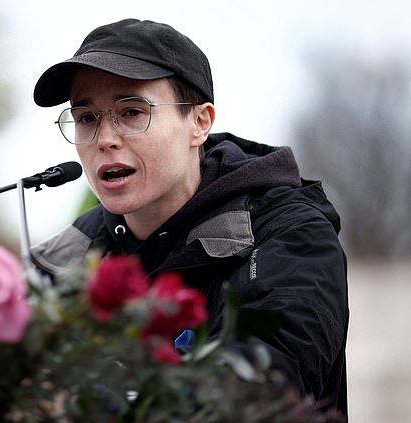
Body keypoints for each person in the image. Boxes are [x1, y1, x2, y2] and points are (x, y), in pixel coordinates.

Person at [30, 18, 349, 414]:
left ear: (199, 123)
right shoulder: (63, 261)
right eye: (87, 118)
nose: (105, 138)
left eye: (131, 112)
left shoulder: (289, 234)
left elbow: (262, 392)